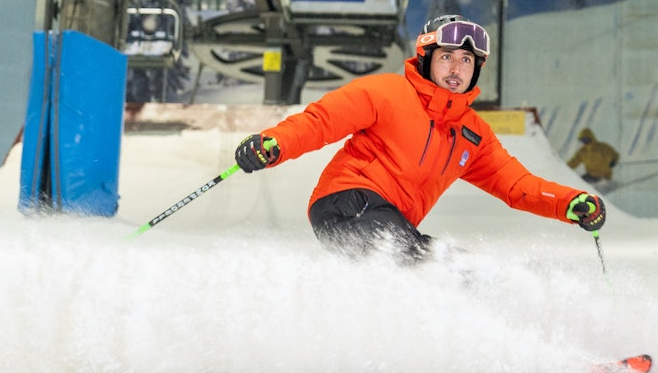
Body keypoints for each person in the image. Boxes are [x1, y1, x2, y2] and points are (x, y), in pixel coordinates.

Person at [233, 14, 607, 264]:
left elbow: (517, 185)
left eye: (466, 60)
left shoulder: (473, 133)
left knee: (453, 267)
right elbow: (320, 121)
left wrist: (570, 202)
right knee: (428, 262)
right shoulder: (387, 92)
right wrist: (273, 145)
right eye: (447, 57)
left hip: (393, 222)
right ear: (427, 59)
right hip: (346, 204)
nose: (456, 68)